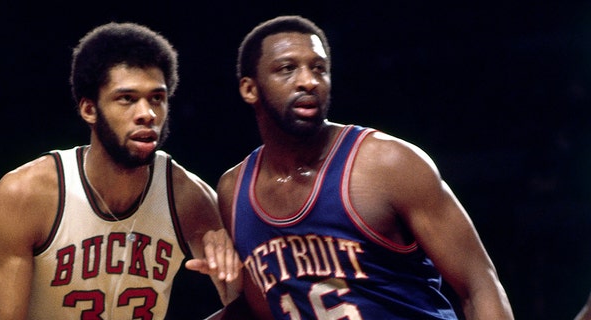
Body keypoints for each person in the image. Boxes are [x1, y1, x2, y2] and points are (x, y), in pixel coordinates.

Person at [212, 15, 514, 319]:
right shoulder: (233, 191)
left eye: (319, 68)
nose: (309, 81)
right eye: (287, 69)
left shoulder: (388, 164)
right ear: (250, 89)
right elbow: (259, 310)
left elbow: (480, 286)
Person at [0, 22, 240, 319]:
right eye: (127, 99)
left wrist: (236, 274)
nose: (147, 114)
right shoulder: (26, 195)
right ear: (89, 109)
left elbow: (246, 305)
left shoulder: (188, 198)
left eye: (157, 98)